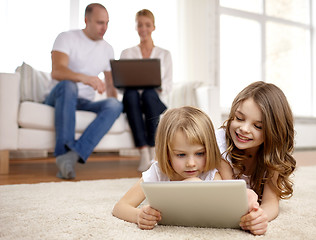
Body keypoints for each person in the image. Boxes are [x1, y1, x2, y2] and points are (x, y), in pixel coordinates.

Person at [44, 3, 123, 179]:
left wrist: (115, 107)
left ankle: (70, 157)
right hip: (60, 96)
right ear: (86, 20)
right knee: (68, 85)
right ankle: (63, 153)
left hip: (84, 102)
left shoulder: (107, 48)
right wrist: (85, 77)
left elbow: (110, 86)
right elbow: (57, 71)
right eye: (99, 22)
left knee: (115, 105)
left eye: (107, 23)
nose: (104, 28)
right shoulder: (66, 38)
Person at [112, 106, 222, 229]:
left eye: (200, 153)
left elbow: (225, 210)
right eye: (181, 155)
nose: (191, 163)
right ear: (167, 153)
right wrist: (139, 215)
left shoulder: (211, 175)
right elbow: (120, 207)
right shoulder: (158, 172)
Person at [216, 81, 296, 235]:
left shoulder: (273, 155)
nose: (244, 129)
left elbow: (271, 202)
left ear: (274, 132)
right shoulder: (221, 144)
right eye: (239, 118)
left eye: (258, 126)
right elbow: (233, 199)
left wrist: (260, 217)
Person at [120, 9, 173, 172]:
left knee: (150, 93)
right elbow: (122, 84)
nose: (143, 28)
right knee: (131, 93)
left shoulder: (164, 54)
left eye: (147, 25)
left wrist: (153, 85)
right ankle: (143, 151)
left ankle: (152, 148)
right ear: (136, 27)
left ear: (153, 27)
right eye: (140, 25)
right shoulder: (127, 53)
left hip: (155, 100)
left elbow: (168, 84)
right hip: (133, 101)